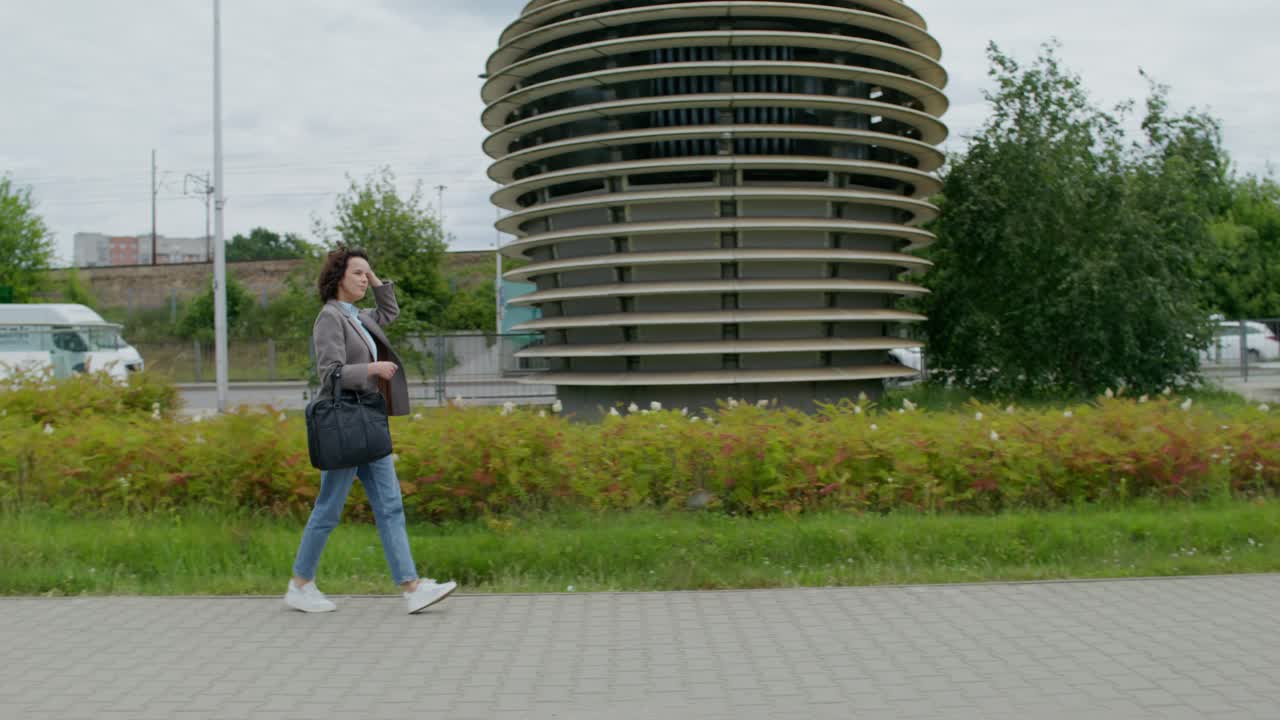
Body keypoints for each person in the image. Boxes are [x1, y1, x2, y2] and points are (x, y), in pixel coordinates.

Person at [285, 245, 457, 614]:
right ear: (338, 279)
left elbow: (390, 311)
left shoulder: (359, 316)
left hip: (369, 419)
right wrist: (371, 370)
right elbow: (329, 373)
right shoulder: (330, 318)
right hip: (346, 421)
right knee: (329, 508)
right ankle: (300, 585)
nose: (365, 279)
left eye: (367, 274)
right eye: (358, 274)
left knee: (390, 506)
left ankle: (412, 588)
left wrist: (375, 277)